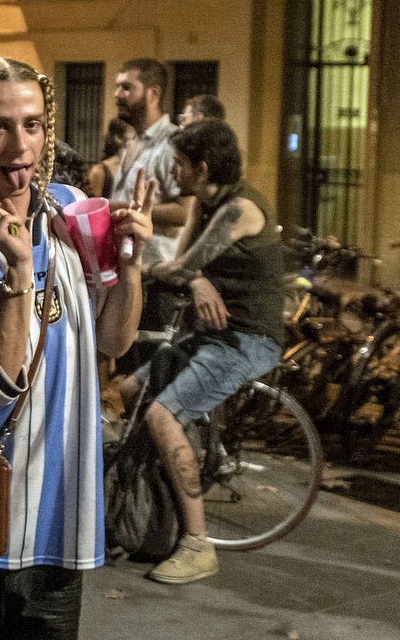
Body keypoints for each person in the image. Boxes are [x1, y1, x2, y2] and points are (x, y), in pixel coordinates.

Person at [0, 57, 153, 639]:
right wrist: (17, 271)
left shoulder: (71, 213)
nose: (21, 146)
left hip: (59, 519)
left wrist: (133, 266)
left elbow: (112, 341)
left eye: (33, 125)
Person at [118, 118, 283, 585]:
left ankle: (197, 544)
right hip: (213, 335)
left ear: (202, 167)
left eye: (179, 164)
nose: (172, 172)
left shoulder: (239, 210)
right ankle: (151, 508)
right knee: (130, 389)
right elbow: (184, 265)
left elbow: (180, 267)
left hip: (246, 340)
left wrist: (188, 275)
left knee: (161, 417)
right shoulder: (206, 202)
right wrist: (195, 278)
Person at [109, 58, 192, 374]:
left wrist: (124, 209)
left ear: (153, 93)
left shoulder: (172, 143)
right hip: (130, 275)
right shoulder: (133, 140)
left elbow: (183, 211)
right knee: (127, 374)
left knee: (149, 380)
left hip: (156, 282)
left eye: (127, 87)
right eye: (118, 87)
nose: (117, 94)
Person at [85, 117, 135, 200]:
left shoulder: (137, 167)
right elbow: (94, 204)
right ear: (118, 138)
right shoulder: (99, 171)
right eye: (134, 137)